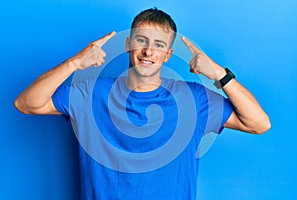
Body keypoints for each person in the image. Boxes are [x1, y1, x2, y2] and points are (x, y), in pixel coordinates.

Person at [14, 8, 271, 200]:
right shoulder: (90, 93)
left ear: (168, 55)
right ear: (128, 44)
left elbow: (258, 123)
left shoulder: (194, 99)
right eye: (141, 41)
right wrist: (74, 63)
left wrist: (218, 74)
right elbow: (27, 103)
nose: (149, 51)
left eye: (159, 45)